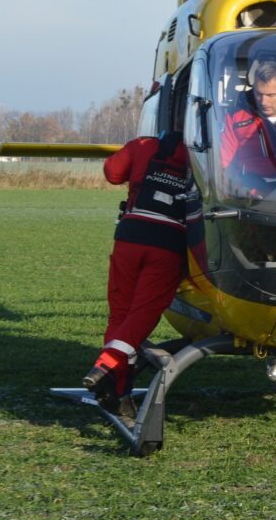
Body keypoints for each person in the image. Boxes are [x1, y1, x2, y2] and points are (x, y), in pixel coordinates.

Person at [82, 130, 193, 425]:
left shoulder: (142, 145)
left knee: (120, 313)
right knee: (145, 312)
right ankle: (106, 365)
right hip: (168, 240)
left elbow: (112, 173)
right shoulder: (199, 150)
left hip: (130, 235)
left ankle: (120, 391)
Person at [220, 60, 276, 193]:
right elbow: (223, 163)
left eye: (271, 95)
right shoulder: (236, 118)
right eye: (258, 94)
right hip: (250, 193)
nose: (263, 102)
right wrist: (237, 191)